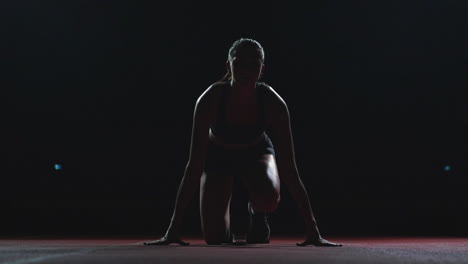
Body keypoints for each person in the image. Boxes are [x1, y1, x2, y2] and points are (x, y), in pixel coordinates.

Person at [144, 38, 342, 247]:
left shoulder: (273, 103)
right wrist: (172, 231)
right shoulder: (209, 100)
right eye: (239, 63)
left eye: (253, 65)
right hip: (218, 156)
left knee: (268, 197)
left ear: (262, 69)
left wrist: (313, 231)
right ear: (228, 66)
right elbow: (193, 166)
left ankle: (257, 213)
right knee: (214, 238)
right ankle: (225, 228)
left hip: (255, 152)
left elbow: (290, 169)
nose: (246, 70)